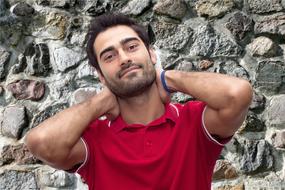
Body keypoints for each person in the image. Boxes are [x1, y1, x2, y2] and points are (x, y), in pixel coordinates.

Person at [25, 13, 253, 190]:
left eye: (131, 47)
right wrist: (102, 101)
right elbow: (40, 142)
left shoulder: (194, 122)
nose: (124, 59)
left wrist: (168, 78)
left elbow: (238, 93)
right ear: (101, 76)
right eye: (109, 56)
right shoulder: (93, 141)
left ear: (152, 55)